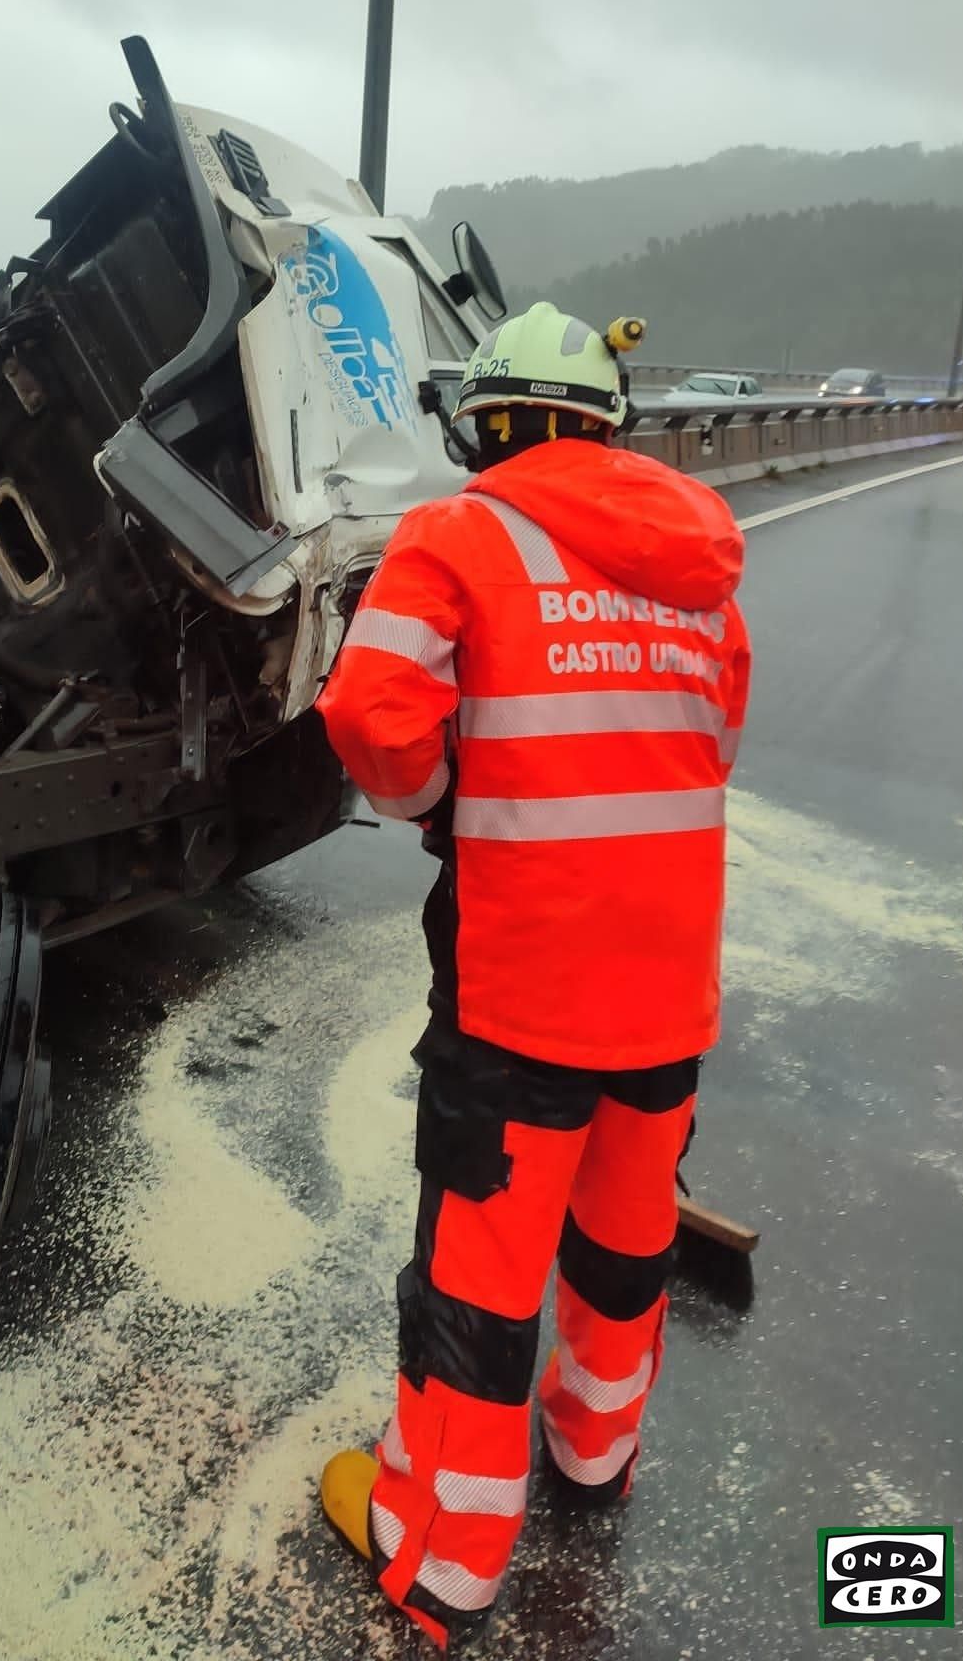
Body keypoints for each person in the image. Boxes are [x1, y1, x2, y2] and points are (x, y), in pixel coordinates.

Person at [314, 302, 750, 1649]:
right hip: (666, 989)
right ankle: (596, 1452)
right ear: (609, 426)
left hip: (527, 999)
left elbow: (370, 716)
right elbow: (714, 735)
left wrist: (456, 798)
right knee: (626, 1246)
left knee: (481, 1280)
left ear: (491, 424)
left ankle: (440, 1552)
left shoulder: (462, 531)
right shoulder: (699, 559)